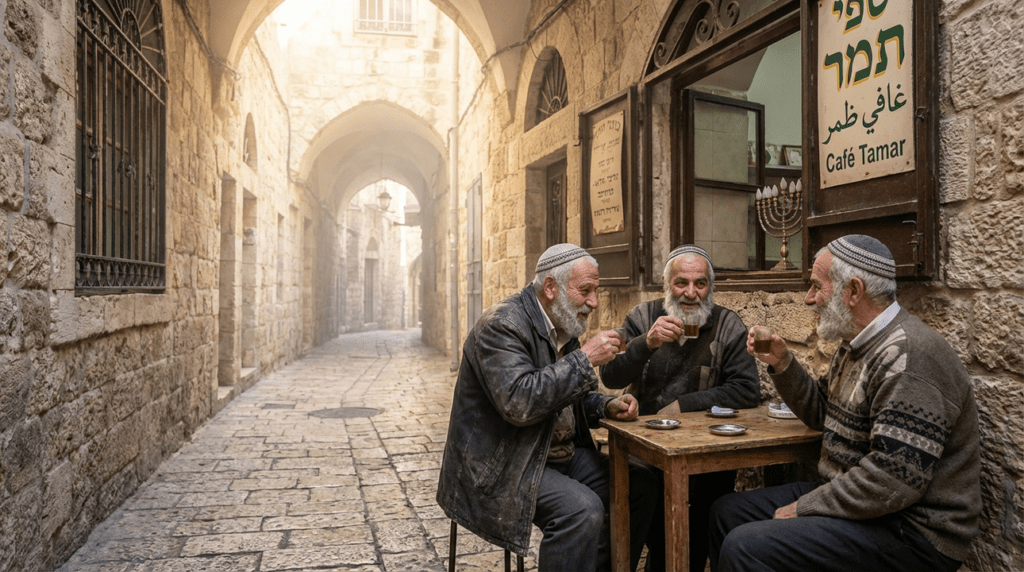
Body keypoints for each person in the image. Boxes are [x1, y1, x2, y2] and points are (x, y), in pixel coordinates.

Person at [709, 234, 981, 572]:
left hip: (912, 531)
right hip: (861, 502)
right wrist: (782, 363)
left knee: (745, 547)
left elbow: (893, 481)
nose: (809, 299)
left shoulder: (909, 355)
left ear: (852, 291)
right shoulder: (856, 343)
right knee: (726, 512)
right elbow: (823, 414)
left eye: (816, 287)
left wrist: (804, 507)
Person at [437, 243, 657, 572]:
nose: (594, 302)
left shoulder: (562, 323)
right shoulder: (502, 325)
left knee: (641, 484)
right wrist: (586, 360)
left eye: (595, 291)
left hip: (551, 453)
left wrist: (606, 405)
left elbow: (569, 397)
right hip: (504, 464)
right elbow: (520, 403)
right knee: (581, 510)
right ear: (551, 287)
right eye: (585, 290)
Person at [601, 244, 760, 572]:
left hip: (704, 453)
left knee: (700, 517)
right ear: (665, 283)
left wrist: (684, 405)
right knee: (644, 501)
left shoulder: (728, 325)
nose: (691, 293)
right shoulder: (642, 317)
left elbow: (747, 391)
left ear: (710, 287)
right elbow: (611, 374)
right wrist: (646, 342)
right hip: (645, 451)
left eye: (700, 284)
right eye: (681, 283)